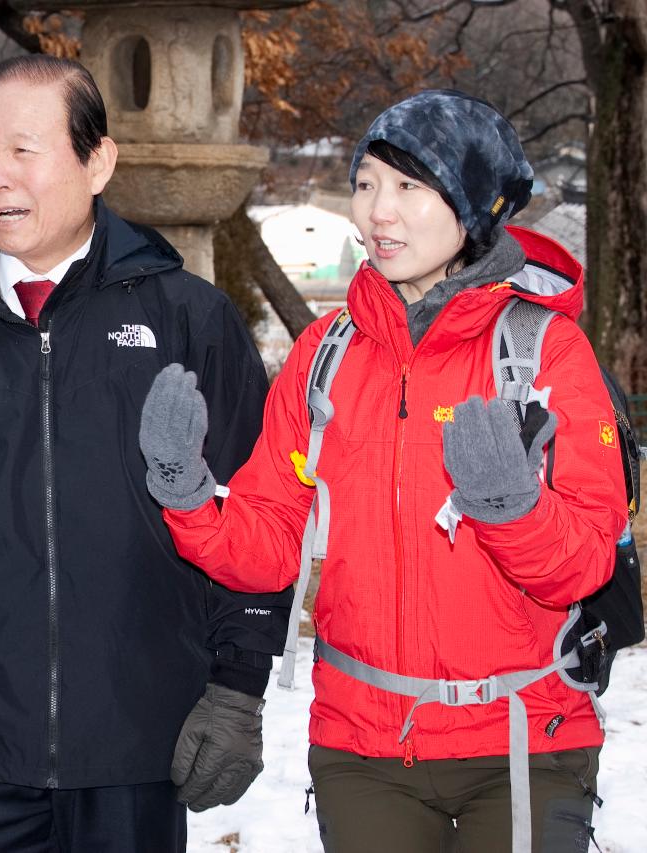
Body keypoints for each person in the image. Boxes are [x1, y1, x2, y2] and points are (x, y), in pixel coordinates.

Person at [139, 90, 624, 852]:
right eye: (366, 184)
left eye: (410, 187)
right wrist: (187, 492)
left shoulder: (542, 354)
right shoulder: (323, 356)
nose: (377, 213)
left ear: (472, 207)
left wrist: (512, 508)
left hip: (528, 739)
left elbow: (587, 563)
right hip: (363, 746)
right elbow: (269, 544)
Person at [0, 54, 289, 852]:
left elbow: (260, 513)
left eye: (22, 148)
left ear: (97, 160)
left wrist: (238, 684)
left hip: (137, 739)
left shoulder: (188, 320)